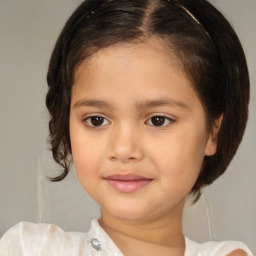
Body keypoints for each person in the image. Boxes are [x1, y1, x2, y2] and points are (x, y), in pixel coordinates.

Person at [0, 0, 253, 255]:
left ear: (213, 132)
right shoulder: (29, 248)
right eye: (96, 120)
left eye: (158, 120)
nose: (123, 149)